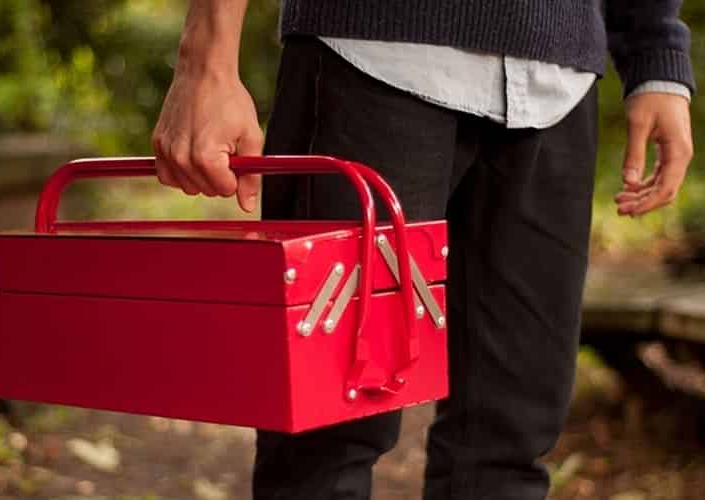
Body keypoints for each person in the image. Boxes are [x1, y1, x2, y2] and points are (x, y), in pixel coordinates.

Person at [152, 1, 695, 499]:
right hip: (371, 59)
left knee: (511, 444)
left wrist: (656, 52)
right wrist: (206, 61)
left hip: (559, 84)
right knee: (324, 440)